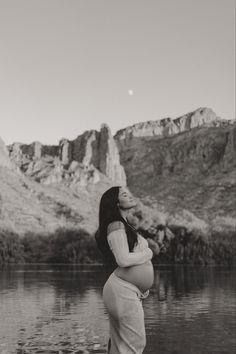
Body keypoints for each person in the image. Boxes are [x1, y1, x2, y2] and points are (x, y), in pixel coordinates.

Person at [95, 186, 162, 354]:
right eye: (125, 195)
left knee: (121, 346)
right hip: (122, 291)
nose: (131, 196)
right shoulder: (116, 224)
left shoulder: (123, 225)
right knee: (134, 343)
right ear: (116, 203)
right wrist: (149, 253)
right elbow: (123, 260)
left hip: (125, 291)